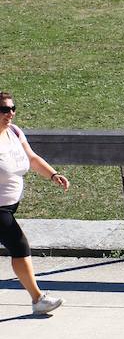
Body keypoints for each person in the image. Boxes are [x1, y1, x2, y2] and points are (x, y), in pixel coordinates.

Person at [0, 91, 70, 314]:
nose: (10, 113)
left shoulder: (14, 131)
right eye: (4, 110)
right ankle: (38, 299)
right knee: (20, 246)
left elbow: (31, 158)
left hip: (9, 205)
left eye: (13, 108)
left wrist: (52, 174)